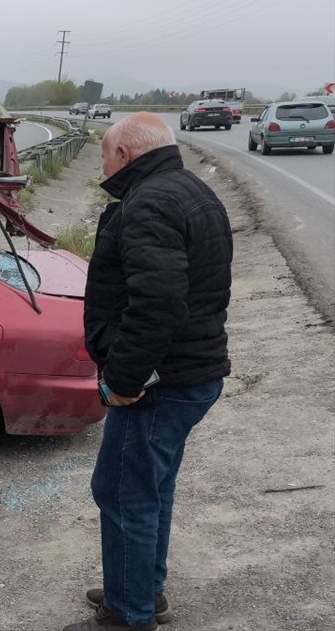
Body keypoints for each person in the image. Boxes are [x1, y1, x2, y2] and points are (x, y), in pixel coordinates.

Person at [64, 113, 233, 631]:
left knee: (121, 492)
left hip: (162, 383)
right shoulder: (189, 190)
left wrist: (126, 381)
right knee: (149, 488)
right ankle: (142, 589)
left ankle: (130, 613)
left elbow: (158, 302)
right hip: (192, 372)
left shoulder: (149, 203)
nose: (102, 166)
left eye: (104, 156)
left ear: (125, 155)